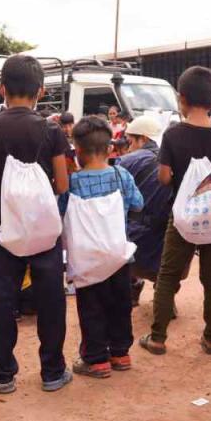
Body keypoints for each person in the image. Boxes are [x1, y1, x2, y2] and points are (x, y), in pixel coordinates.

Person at [0, 55, 72, 394]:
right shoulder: (51, 129)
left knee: (4, 301)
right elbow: (62, 184)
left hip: (6, 229)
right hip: (45, 230)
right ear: (41, 92)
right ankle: (52, 372)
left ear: (2, 89)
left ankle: (3, 375)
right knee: (51, 300)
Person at [138, 66, 211, 357]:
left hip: (182, 217)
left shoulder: (173, 134)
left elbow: (165, 178)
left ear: (181, 98)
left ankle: (157, 338)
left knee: (168, 274)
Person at [60, 116, 143, 378]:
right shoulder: (122, 175)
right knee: (120, 304)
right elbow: (138, 204)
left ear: (78, 151)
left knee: (91, 308)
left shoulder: (71, 182)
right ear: (110, 148)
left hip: (86, 261)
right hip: (119, 256)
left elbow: (60, 212)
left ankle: (96, 360)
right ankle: (121, 353)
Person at [116, 115, 169, 305]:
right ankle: (165, 297)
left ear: (143, 139)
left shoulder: (126, 161)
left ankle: (132, 291)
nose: (128, 147)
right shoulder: (174, 158)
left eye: (131, 141)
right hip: (167, 234)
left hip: (135, 235)